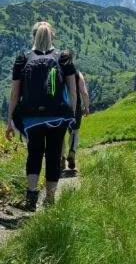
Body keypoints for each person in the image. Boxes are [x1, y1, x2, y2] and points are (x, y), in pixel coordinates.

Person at [5, 22, 77, 211]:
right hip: (58, 116)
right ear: (52, 36)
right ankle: (50, 199)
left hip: (31, 117)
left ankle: (31, 197)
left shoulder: (23, 59)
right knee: (53, 156)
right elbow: (73, 89)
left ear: (34, 37)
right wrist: (71, 114)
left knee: (34, 154)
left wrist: (10, 121)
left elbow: (14, 94)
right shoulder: (63, 57)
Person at [61, 61, 90, 171]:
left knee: (61, 133)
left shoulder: (58, 72)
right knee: (75, 131)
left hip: (60, 107)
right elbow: (84, 92)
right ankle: (72, 152)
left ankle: (61, 157)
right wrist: (86, 107)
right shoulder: (78, 74)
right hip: (75, 106)